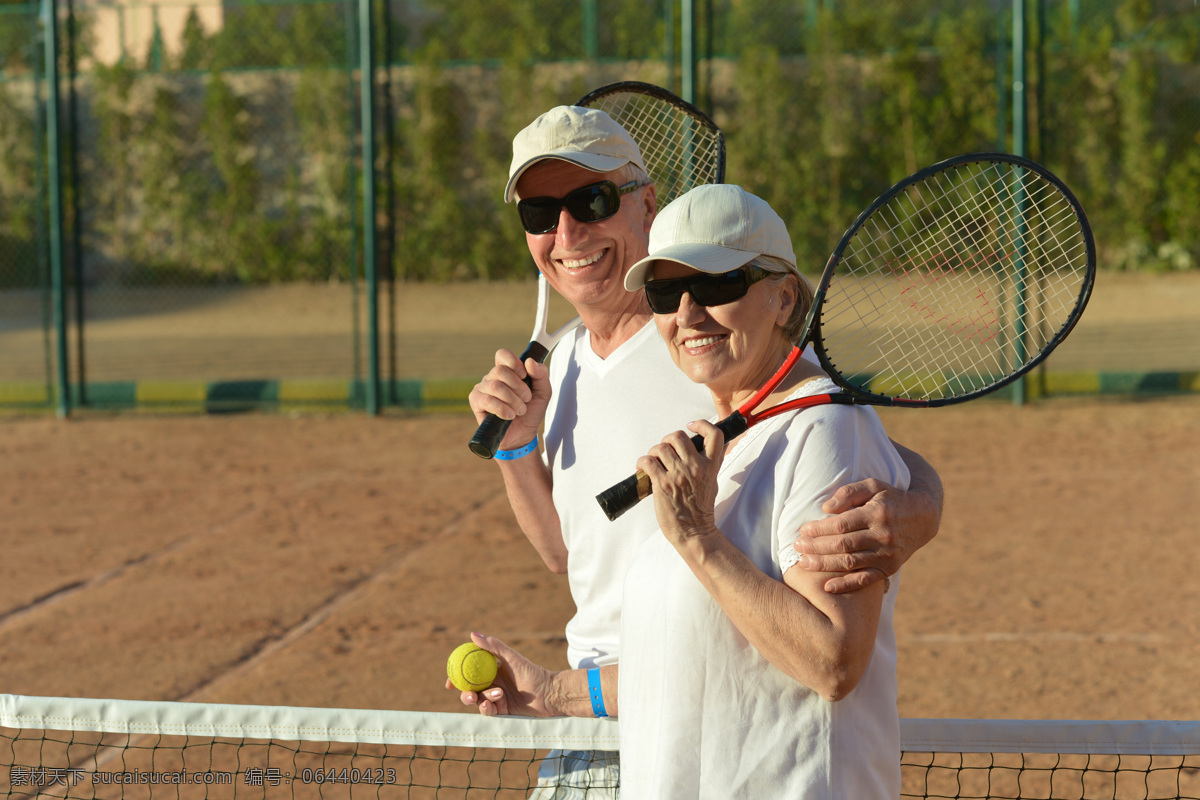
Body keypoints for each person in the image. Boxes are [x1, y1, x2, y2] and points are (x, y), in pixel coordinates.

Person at [455, 104, 940, 792]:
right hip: (626, 721)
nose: (566, 231)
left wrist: (922, 507)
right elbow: (574, 550)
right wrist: (516, 451)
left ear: (645, 204)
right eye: (540, 213)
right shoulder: (564, 365)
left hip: (712, 730)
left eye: (591, 200)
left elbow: (845, 440)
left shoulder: (738, 373)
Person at [618, 183, 907, 797]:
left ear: (783, 296)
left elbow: (832, 661)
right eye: (665, 292)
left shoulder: (829, 429)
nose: (688, 314)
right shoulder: (730, 434)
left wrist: (698, 538)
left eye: (718, 285)